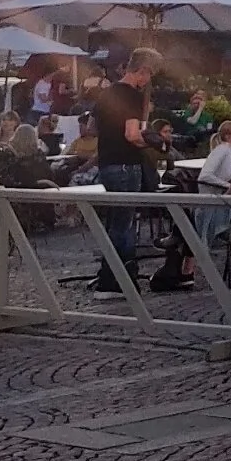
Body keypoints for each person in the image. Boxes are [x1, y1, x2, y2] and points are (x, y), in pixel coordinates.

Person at [88, 49, 159, 294]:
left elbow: (92, 126)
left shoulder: (106, 92)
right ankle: (120, 279)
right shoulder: (131, 96)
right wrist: (152, 142)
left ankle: (109, 275)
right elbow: (131, 135)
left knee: (115, 221)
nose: (148, 80)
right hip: (126, 163)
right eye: (149, 75)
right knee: (125, 224)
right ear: (143, 71)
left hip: (107, 162)